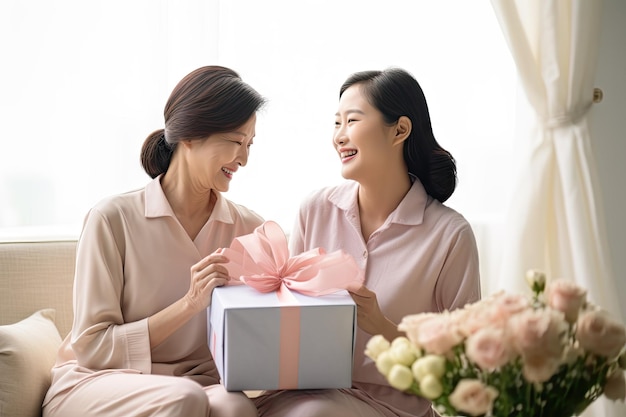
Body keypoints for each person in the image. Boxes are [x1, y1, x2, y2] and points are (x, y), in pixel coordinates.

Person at [253, 68, 481, 417]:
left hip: (391, 407)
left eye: (352, 121)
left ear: (400, 131)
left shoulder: (449, 235)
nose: (339, 137)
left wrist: (382, 326)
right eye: (336, 123)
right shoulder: (315, 209)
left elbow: (464, 365)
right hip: (301, 392)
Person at [42, 66, 266, 417]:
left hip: (197, 382)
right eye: (237, 142)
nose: (244, 159)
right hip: (99, 381)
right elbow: (92, 347)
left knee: (235, 407)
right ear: (191, 135)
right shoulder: (112, 218)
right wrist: (190, 303)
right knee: (182, 399)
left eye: (250, 144)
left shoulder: (250, 228)